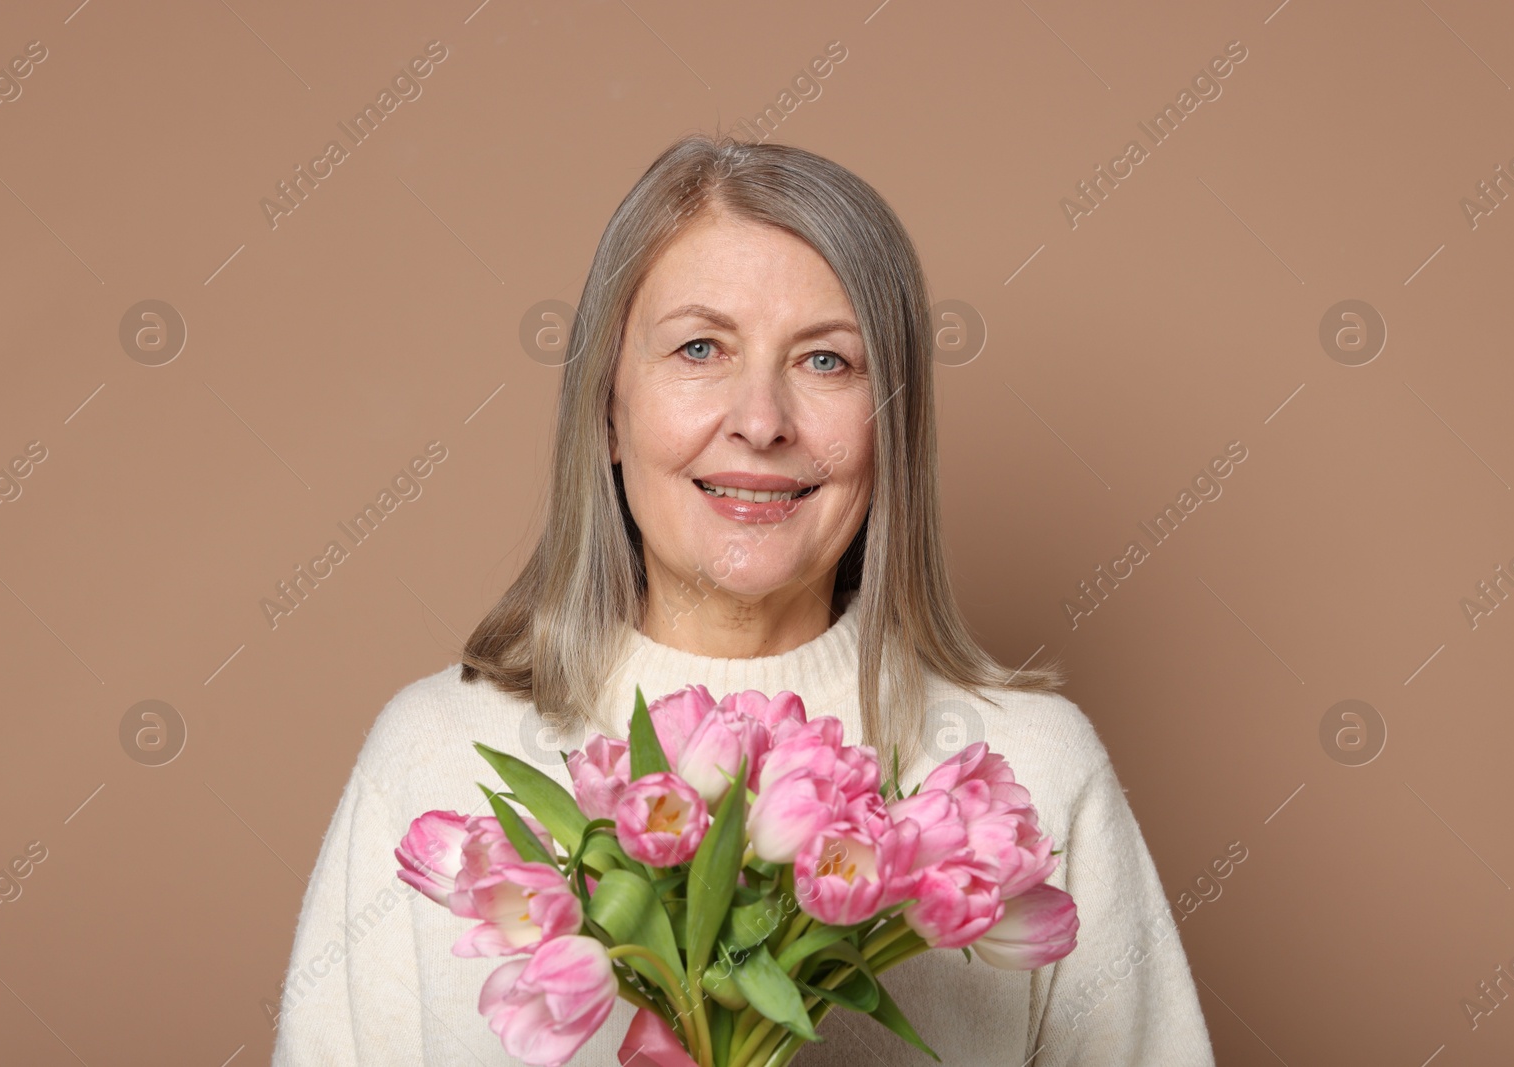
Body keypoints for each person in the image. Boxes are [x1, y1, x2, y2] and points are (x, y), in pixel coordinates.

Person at [272, 132, 1215, 1066]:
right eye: (698, 347)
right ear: (608, 407)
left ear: (895, 432)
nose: (761, 422)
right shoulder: (431, 755)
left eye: (826, 361)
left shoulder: (1028, 775)